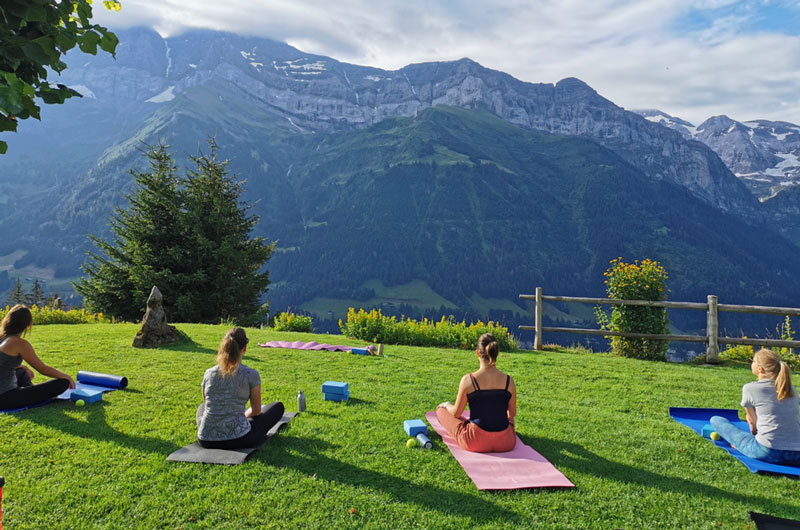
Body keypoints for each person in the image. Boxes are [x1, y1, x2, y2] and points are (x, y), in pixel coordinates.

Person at [196, 327, 284, 449]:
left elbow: (207, 403)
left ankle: (209, 428)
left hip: (206, 439)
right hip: (240, 438)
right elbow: (256, 411)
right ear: (244, 349)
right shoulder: (250, 374)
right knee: (277, 407)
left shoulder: (208, 373)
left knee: (202, 408)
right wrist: (242, 415)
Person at [710, 348, 800, 465]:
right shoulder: (791, 389)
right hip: (797, 455)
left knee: (716, 420)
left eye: (753, 361)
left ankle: (741, 446)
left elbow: (753, 426)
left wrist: (743, 445)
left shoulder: (750, 388)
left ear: (760, 369)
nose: (751, 363)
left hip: (768, 451)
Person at [436, 333, 517, 452]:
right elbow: (512, 414)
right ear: (496, 353)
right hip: (506, 443)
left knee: (441, 411)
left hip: (475, 441)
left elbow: (456, 414)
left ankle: (442, 409)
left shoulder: (468, 380)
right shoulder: (509, 381)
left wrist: (446, 404)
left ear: (478, 353)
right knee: (509, 421)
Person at [0, 304, 75, 411]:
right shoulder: (19, 343)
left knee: (22, 372)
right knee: (62, 383)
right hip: (5, 398)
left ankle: (29, 393)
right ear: (27, 325)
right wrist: (67, 377)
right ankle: (30, 395)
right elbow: (42, 369)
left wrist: (23, 367)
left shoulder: (2, 337)